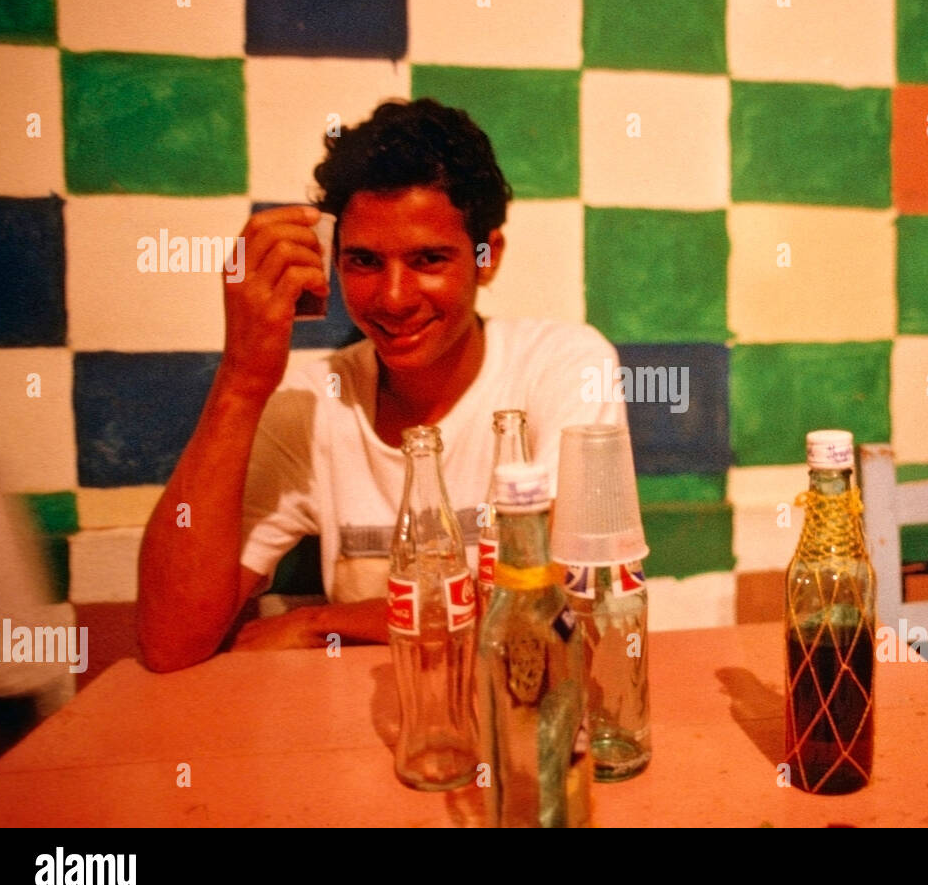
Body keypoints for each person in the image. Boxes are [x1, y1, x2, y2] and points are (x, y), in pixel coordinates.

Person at [137, 98, 625, 672]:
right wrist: (241, 382)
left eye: (428, 259)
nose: (393, 298)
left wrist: (318, 622)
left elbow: (554, 606)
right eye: (365, 261)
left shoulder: (563, 364)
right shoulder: (312, 403)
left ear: (487, 257)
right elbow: (169, 641)